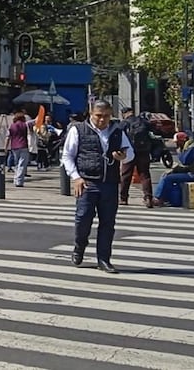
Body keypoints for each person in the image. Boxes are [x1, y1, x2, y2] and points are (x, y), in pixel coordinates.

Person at [61, 100, 134, 273]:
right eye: (98, 116)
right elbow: (67, 156)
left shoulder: (118, 131)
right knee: (83, 219)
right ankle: (80, 245)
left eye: (106, 116)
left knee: (108, 223)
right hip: (87, 182)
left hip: (109, 183)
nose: (102, 120)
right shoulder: (78, 130)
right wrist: (76, 177)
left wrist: (122, 156)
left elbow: (130, 154)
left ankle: (104, 259)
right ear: (91, 114)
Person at [152, 132, 194, 207]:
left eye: (177, 142)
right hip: (188, 171)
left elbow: (185, 161)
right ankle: (164, 198)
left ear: (183, 140)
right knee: (166, 176)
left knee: (167, 178)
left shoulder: (192, 148)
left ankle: (158, 198)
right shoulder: (186, 147)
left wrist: (179, 153)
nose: (176, 144)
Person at [118, 108, 155, 208]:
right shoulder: (143, 121)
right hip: (144, 152)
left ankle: (123, 198)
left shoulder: (124, 123)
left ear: (124, 114)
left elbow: (118, 135)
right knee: (145, 175)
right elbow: (153, 130)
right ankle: (148, 198)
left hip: (129, 151)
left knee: (126, 175)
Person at [5, 111, 30, 187]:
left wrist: (5, 147)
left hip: (14, 146)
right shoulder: (25, 125)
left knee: (16, 164)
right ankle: (19, 181)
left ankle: (15, 179)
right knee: (22, 164)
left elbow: (8, 137)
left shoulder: (12, 126)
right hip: (24, 145)